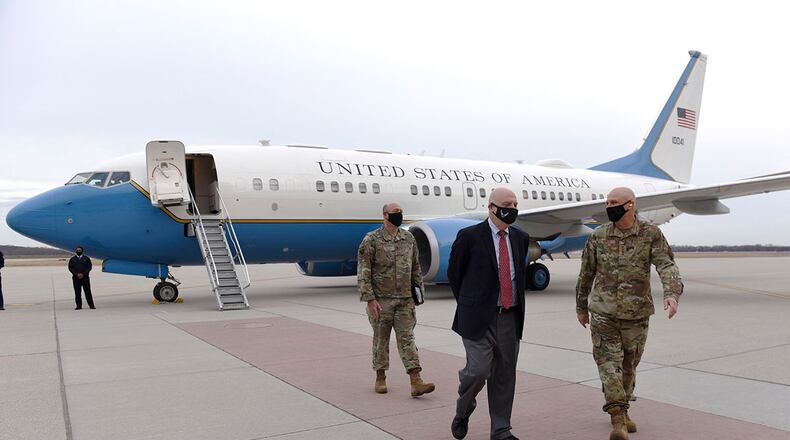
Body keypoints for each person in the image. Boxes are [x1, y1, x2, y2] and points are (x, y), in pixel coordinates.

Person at [576, 187, 683, 440]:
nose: (609, 206)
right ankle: (617, 418)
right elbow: (586, 273)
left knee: (629, 365)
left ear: (630, 205)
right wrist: (581, 307)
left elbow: (666, 265)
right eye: (607, 202)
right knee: (608, 364)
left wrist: (671, 293)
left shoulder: (650, 234)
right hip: (603, 312)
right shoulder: (598, 236)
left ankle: (623, 411)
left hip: (636, 314)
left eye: (614, 202)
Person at [448, 187, 528, 440]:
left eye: (515, 204)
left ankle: (501, 430)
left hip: (510, 316)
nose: (512, 208)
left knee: (504, 375)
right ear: (491, 207)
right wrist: (471, 304)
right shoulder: (470, 236)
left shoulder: (520, 237)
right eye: (507, 204)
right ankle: (463, 410)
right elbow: (455, 274)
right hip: (478, 317)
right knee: (478, 370)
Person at [357, 202, 435, 397]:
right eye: (395, 212)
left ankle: (416, 381)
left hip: (404, 300)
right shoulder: (372, 239)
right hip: (381, 301)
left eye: (400, 212)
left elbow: (415, 266)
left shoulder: (408, 238)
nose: (399, 215)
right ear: (385, 215)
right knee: (381, 340)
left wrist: (418, 293)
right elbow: (364, 270)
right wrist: (370, 299)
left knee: (407, 338)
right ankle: (380, 377)